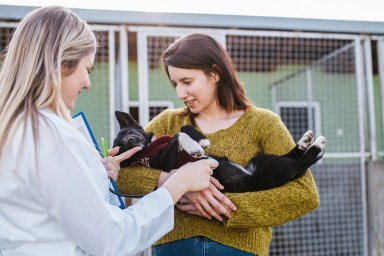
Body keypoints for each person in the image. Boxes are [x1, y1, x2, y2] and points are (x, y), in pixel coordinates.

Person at [0, 7, 218, 256]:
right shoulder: (51, 135)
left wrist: (96, 176)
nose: (87, 82)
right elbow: (111, 240)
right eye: (87, 68)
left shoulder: (14, 128)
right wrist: (178, 183)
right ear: (61, 63)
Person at [116, 33, 320, 256]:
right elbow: (122, 176)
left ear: (214, 73)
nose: (179, 93)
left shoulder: (263, 123)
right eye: (175, 83)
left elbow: (304, 194)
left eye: (187, 82)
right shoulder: (168, 121)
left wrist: (226, 206)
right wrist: (175, 183)